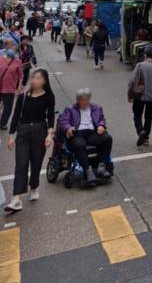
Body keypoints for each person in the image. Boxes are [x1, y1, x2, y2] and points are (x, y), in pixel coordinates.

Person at [4, 69, 55, 212]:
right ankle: (16, 198)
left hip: (40, 130)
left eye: (38, 78)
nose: (34, 80)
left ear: (44, 81)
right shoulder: (23, 96)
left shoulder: (49, 96)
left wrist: (49, 135)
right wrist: (11, 135)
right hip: (23, 131)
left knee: (36, 163)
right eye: (33, 77)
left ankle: (34, 187)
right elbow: (16, 116)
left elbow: (50, 116)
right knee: (21, 164)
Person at [57, 88, 113, 186]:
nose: (85, 102)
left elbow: (101, 119)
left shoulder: (96, 108)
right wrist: (68, 128)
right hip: (77, 133)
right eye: (82, 100)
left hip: (92, 133)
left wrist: (101, 125)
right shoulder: (70, 109)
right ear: (77, 100)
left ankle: (101, 166)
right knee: (79, 145)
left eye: (87, 99)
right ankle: (87, 170)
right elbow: (63, 122)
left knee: (107, 139)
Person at [127, 48, 152, 147]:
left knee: (137, 115)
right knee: (148, 117)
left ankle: (141, 131)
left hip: (139, 95)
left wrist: (129, 94)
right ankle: (146, 139)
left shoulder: (140, 65)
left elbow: (132, 80)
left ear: (145, 55)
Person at [0, 48, 24, 131]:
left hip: (9, 88)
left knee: (8, 108)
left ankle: (3, 123)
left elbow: (21, 75)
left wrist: (19, 86)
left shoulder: (17, 62)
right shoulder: (0, 59)